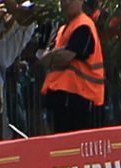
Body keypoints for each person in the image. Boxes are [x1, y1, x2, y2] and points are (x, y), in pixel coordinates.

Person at [40, 0, 105, 133]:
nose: (67, 3)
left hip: (79, 96)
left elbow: (66, 57)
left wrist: (57, 54)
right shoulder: (62, 29)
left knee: (75, 143)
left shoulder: (84, 25)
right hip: (62, 96)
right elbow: (44, 59)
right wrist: (59, 52)